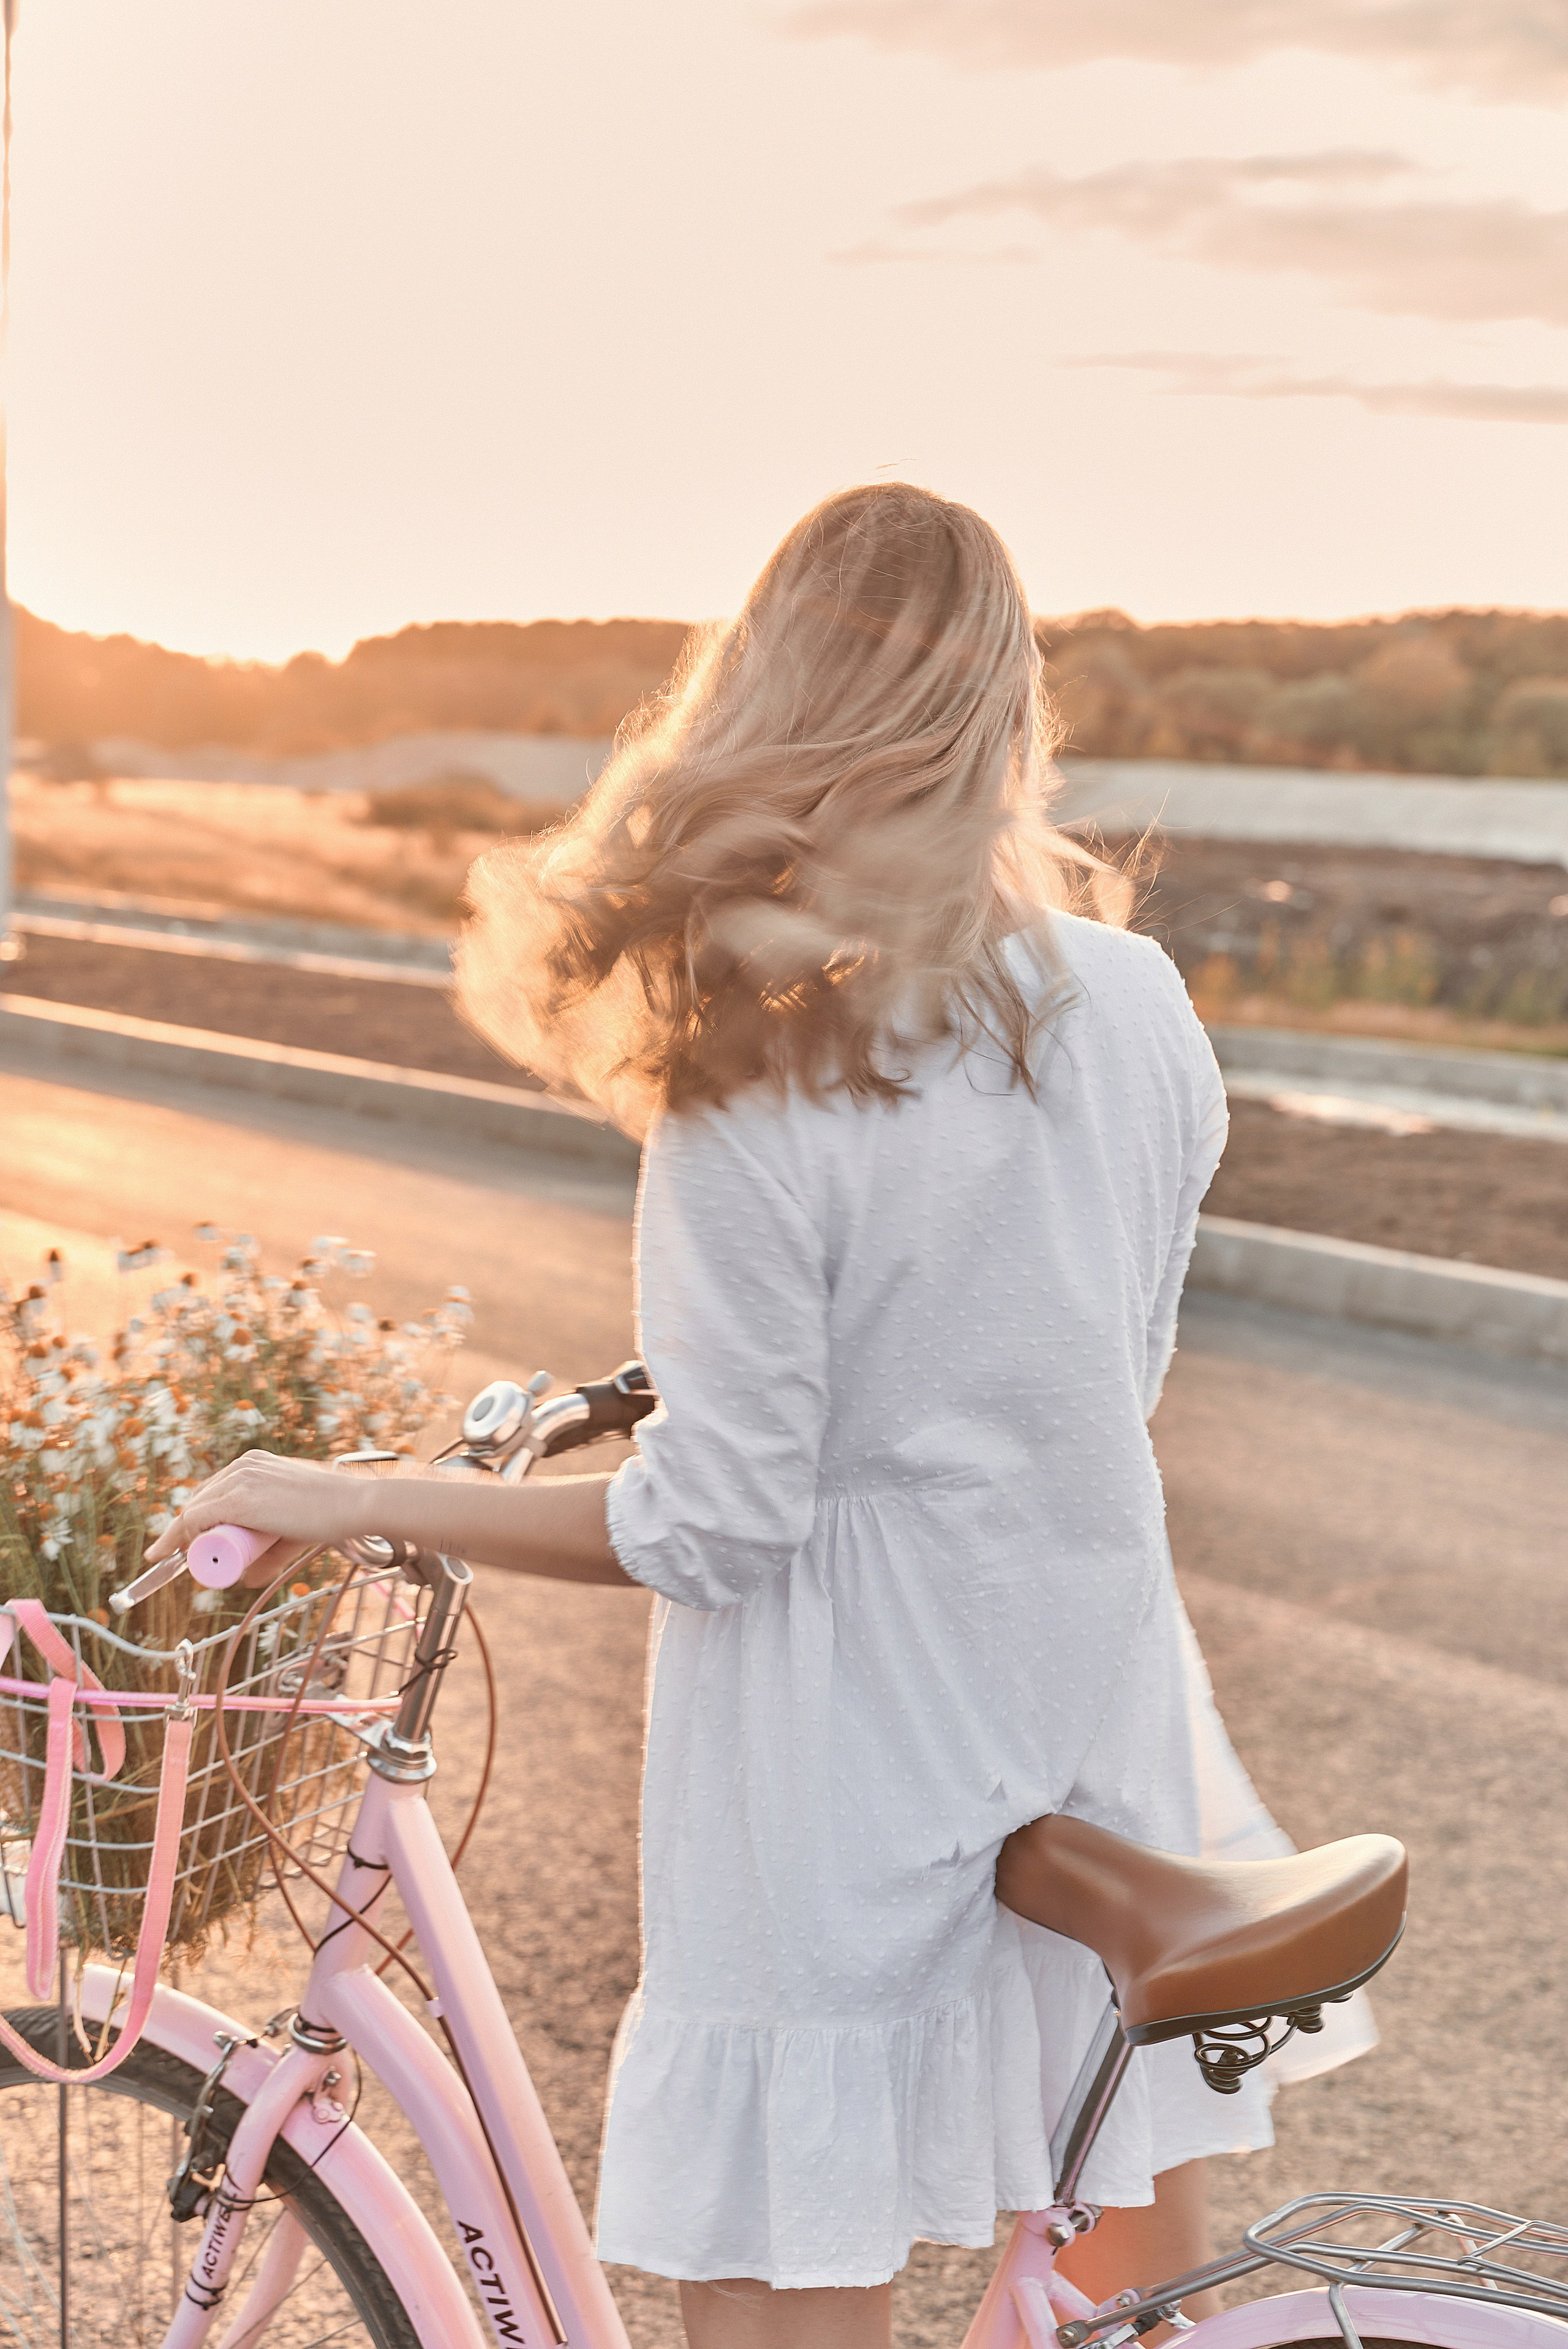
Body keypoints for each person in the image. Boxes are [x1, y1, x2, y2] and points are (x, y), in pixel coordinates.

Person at [149, 485, 1372, 2349]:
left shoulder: (765, 1074)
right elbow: (1100, 1366)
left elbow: (718, 1520)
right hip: (1091, 1704)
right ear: (1004, 716)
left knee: (802, 2261)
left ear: (767, 699)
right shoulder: (1139, 1006)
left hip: (842, 1752)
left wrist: (333, 1486)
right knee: (1148, 2292)